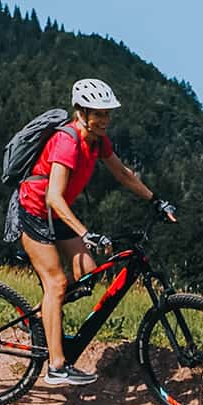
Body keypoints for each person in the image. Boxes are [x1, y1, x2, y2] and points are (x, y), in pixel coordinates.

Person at [18, 78, 174, 386]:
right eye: (97, 113)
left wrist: (155, 201)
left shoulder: (99, 141)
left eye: (107, 113)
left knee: (88, 273)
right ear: (80, 112)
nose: (104, 120)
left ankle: (36, 320)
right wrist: (85, 232)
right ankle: (57, 366)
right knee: (57, 283)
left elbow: (123, 173)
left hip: (57, 214)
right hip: (36, 211)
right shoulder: (68, 141)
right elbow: (53, 197)